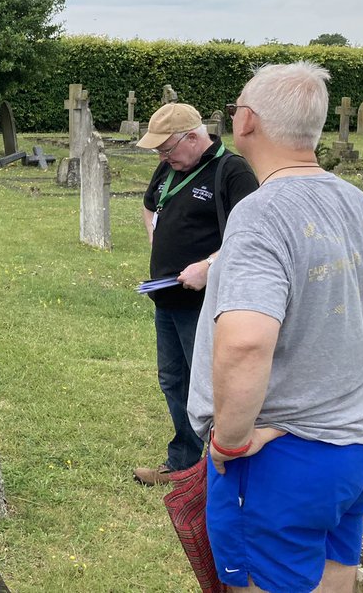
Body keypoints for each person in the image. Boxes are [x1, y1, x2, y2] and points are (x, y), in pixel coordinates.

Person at [189, 63, 363, 593]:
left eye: (235, 110)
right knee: (333, 571)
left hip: (281, 454)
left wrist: (229, 443)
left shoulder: (261, 213)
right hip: (361, 443)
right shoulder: (361, 205)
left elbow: (246, 340)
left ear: (248, 121)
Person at [133, 102, 258, 486]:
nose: (163, 157)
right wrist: (159, 240)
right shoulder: (171, 166)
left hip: (205, 304)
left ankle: (224, 465)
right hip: (167, 298)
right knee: (173, 379)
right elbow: (150, 205)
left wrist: (209, 266)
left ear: (193, 137)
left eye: (167, 149)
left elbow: (250, 235)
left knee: (211, 382)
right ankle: (184, 463)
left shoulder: (231, 172)